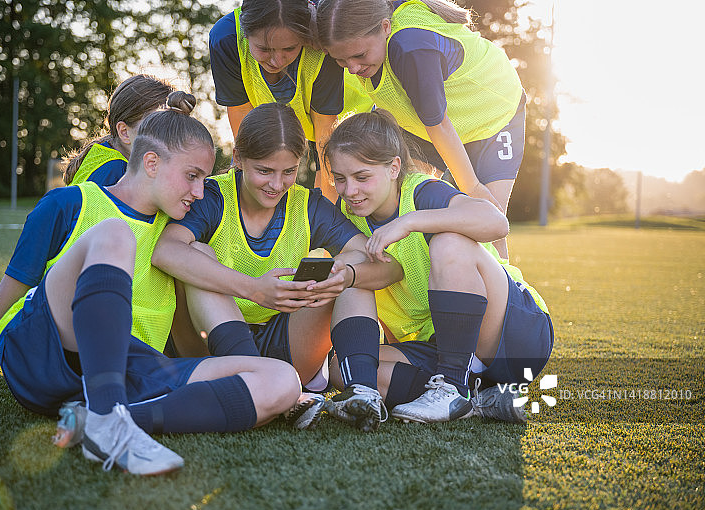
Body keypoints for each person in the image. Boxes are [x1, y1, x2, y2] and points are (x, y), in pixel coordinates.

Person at [0, 92, 301, 475]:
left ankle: (106, 421)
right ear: (150, 162)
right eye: (192, 177)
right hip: (42, 352)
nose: (199, 192)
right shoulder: (67, 204)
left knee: (282, 380)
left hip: (131, 368)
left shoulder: (175, 228)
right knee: (114, 234)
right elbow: (2, 303)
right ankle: (109, 418)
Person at [152, 102, 387, 432]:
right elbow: (165, 251)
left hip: (286, 343)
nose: (277, 185)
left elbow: (383, 265)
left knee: (352, 265)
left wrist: (346, 275)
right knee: (198, 252)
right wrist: (253, 289)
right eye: (264, 170)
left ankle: (363, 393)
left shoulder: (309, 205)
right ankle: (266, 387)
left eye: (288, 171)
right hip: (210, 345)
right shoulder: (211, 196)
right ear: (238, 158)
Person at [322, 109, 553, 423]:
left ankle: (453, 388)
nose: (350, 191)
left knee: (449, 242)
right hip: (441, 345)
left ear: (393, 168)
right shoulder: (345, 215)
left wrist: (410, 222)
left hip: (513, 333)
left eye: (362, 177)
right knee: (344, 367)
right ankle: (478, 400)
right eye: (340, 179)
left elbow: (496, 223)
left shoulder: (421, 191)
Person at [316, 0, 525, 257]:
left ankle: (511, 289)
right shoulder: (369, 35)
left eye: (359, 56)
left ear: (385, 27)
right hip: (431, 127)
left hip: (494, 115)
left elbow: (439, 125)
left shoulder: (410, 48)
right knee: (402, 202)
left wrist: (474, 190)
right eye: (340, 60)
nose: (353, 68)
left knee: (485, 218)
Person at [208, 0, 372, 202]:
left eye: (289, 48)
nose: (276, 61)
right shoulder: (226, 39)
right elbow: (244, 126)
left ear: (305, 37)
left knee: (339, 190)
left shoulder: (320, 48)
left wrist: (327, 216)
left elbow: (326, 145)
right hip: (305, 121)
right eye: (264, 49)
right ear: (245, 31)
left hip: (347, 118)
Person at [62, 74, 173, 187]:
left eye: (172, 127)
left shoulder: (102, 156)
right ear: (124, 132)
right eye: (156, 126)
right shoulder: (118, 173)